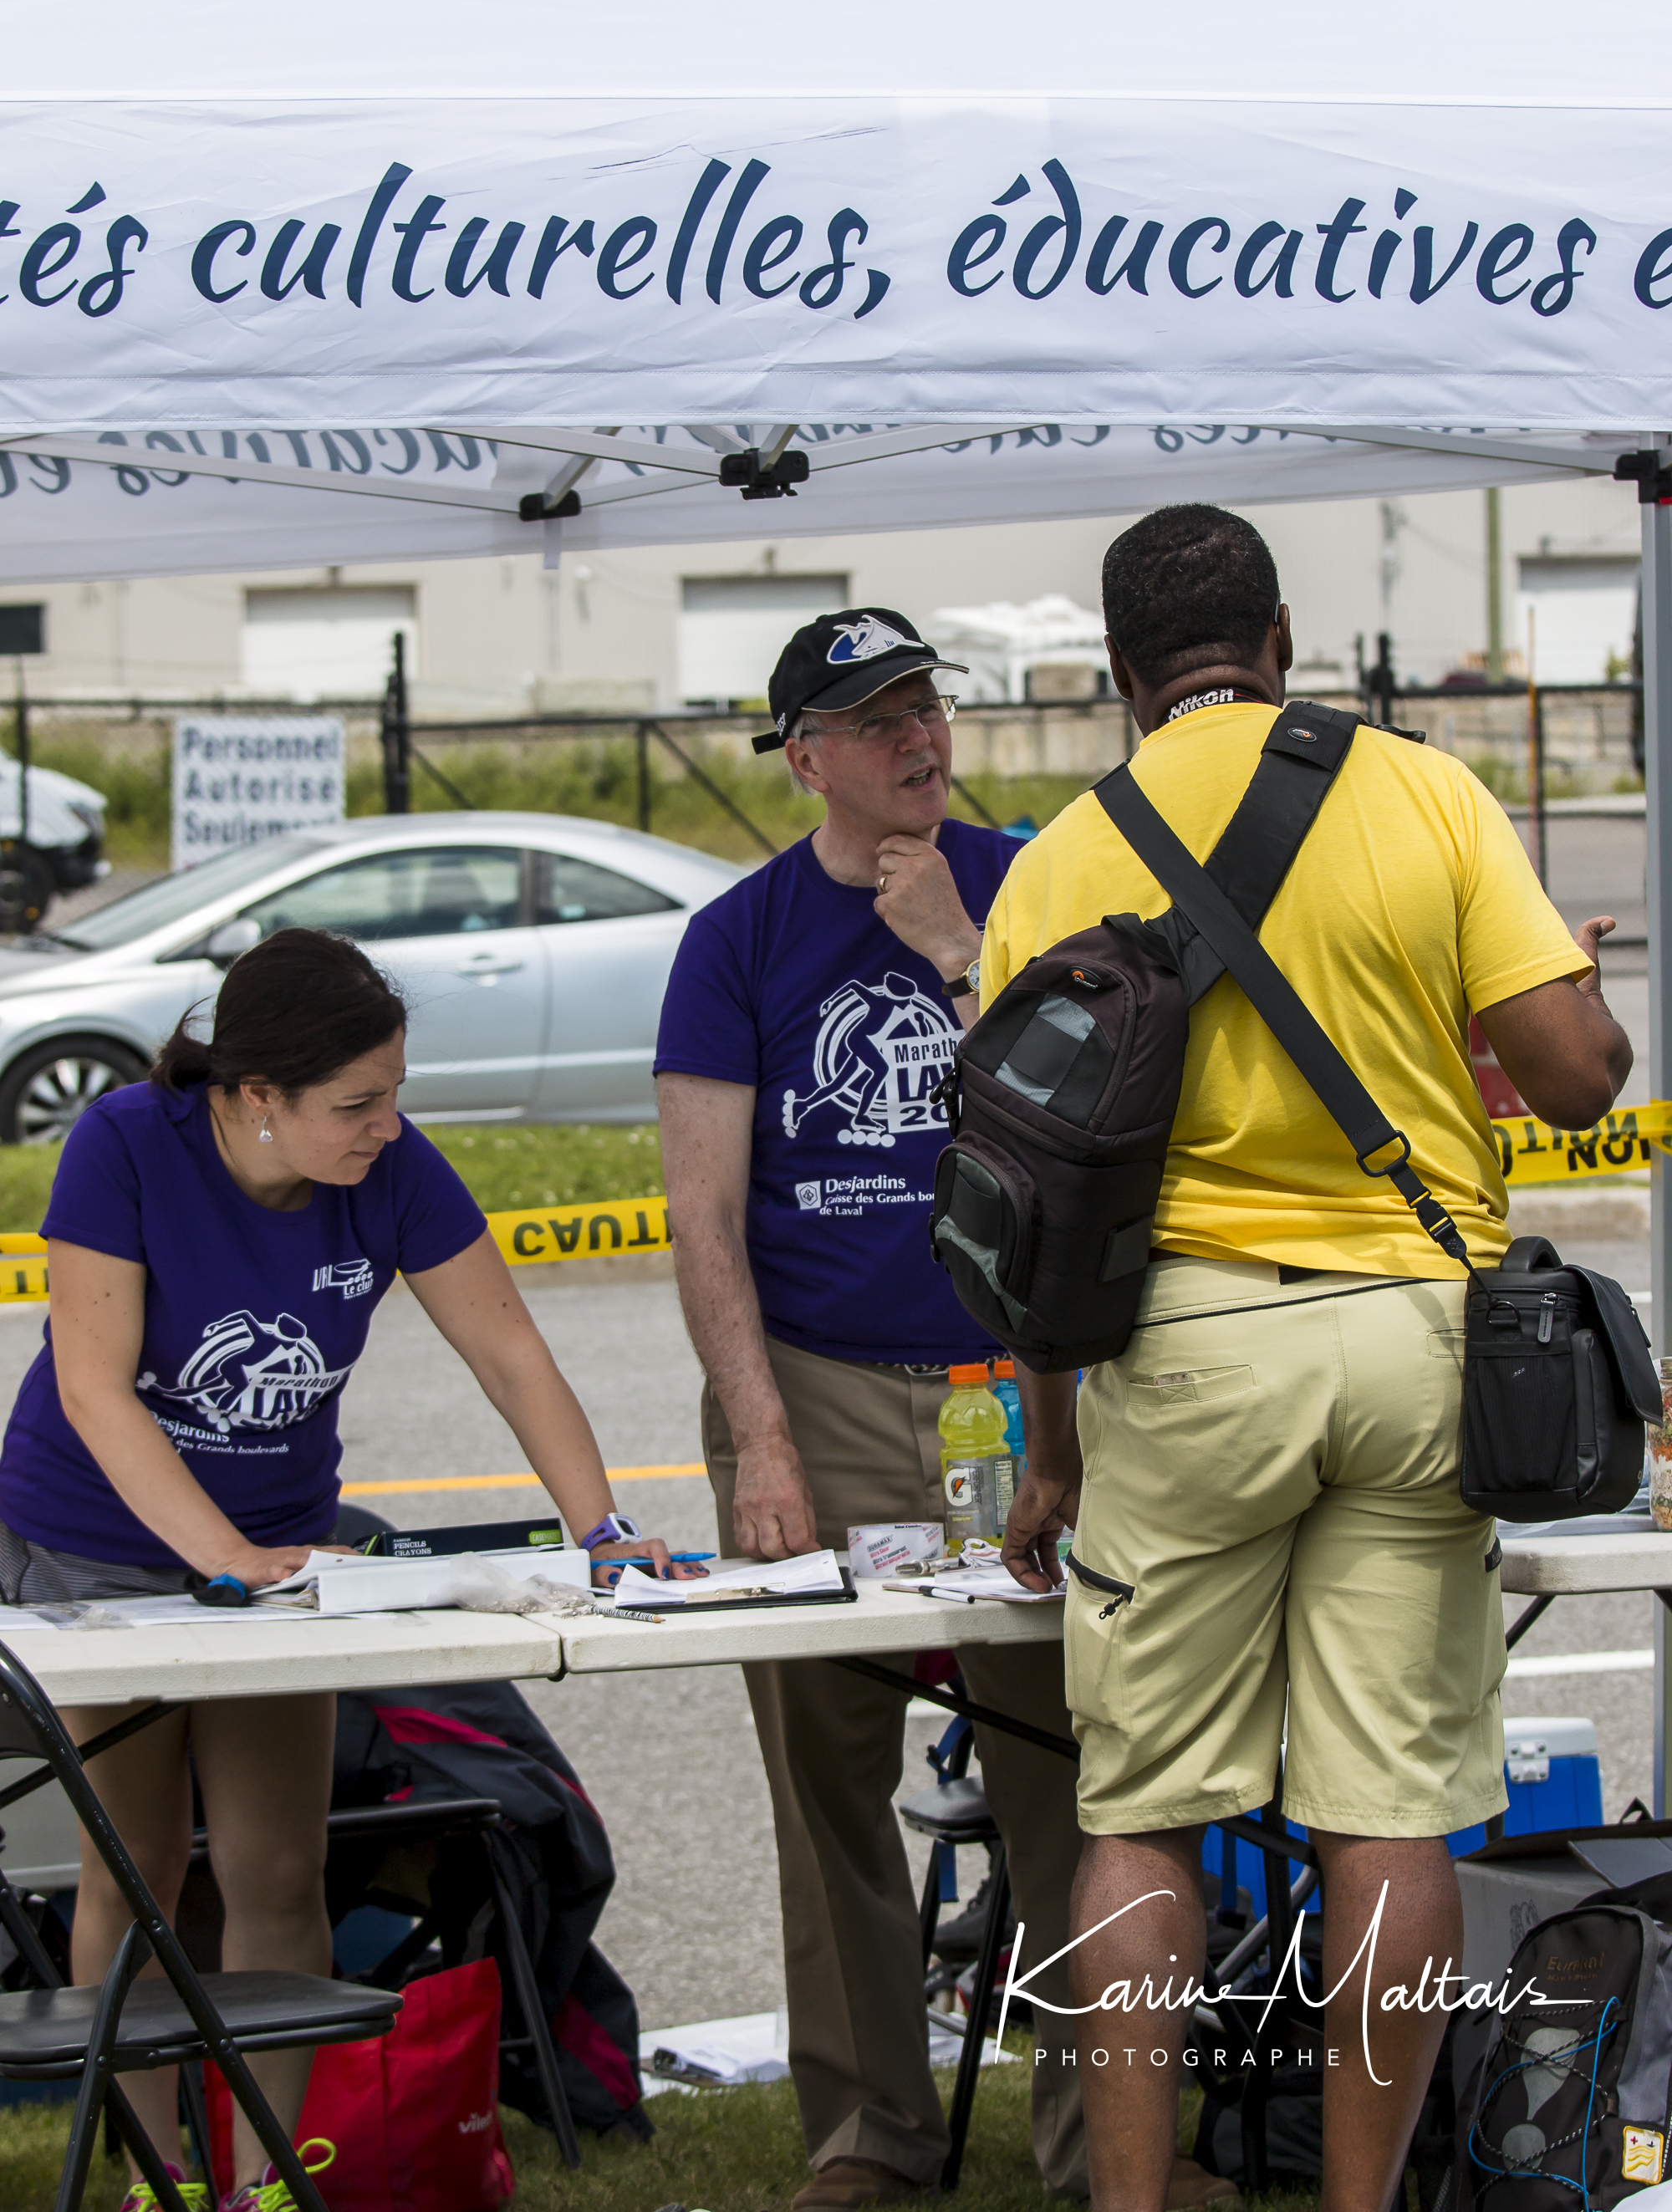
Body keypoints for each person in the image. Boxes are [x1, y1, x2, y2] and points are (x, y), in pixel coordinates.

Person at [991, 506, 1633, 2212]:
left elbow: (1036, 1217)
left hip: (1182, 1347)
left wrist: (1049, 1457)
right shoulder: (1422, 790)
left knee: (1136, 1817)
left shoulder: (1051, 862)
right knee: (1386, 1817)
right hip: (1422, 1342)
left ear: (1122, 681)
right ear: (1281, 643)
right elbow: (1576, 1073)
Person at [0, 927, 688, 2212]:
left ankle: (264, 2180)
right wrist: (223, 1566)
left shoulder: (393, 1167)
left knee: (275, 1868)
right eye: (356, 1105)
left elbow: (514, 1355)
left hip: (275, 1550)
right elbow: (95, 1391)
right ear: (254, 1097)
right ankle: (157, 2176)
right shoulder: (124, 1143)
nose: (387, 1126)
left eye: (397, 1095)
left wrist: (601, 1532)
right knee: (138, 1868)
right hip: (100, 1541)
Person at [655, 606, 1093, 2210]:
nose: (920, 736)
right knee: (824, 1773)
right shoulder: (740, 939)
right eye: (878, 715)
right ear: (807, 759)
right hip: (825, 1390)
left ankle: (1098, 2141)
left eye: (930, 704)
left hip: (1016, 1387)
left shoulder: (1032, 873)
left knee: (1070, 1766)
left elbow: (1082, 1121)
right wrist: (758, 1436)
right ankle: (868, 2138)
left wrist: (958, 958)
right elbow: (702, 1216)